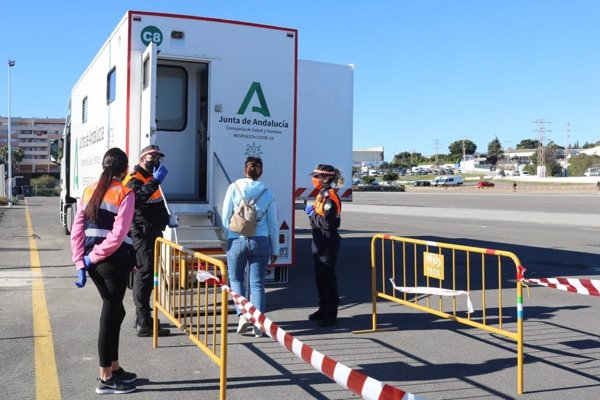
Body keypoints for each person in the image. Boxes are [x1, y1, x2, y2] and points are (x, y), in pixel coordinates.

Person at [71, 147, 137, 394]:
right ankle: (106, 378)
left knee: (116, 312)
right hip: (113, 262)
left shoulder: (89, 191)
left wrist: (82, 261)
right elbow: (118, 235)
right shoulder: (125, 192)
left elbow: (77, 229)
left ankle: (115, 367)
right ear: (125, 169)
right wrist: (89, 258)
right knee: (110, 315)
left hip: (95, 264)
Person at [222, 156, 279, 337]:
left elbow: (225, 217)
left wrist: (228, 237)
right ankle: (259, 324)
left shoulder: (234, 187)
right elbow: (273, 224)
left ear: (244, 169)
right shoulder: (267, 192)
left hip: (236, 240)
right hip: (260, 241)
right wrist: (275, 249)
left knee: (237, 280)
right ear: (260, 171)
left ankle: (243, 317)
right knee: (257, 284)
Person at [123, 145, 171, 337]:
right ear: (143, 158)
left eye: (158, 157)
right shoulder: (134, 178)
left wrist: (167, 218)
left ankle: (142, 319)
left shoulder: (151, 178)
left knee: (149, 276)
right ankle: (144, 322)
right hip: (142, 234)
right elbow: (136, 200)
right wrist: (155, 181)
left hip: (153, 232)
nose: (156, 160)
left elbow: (155, 204)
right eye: (152, 157)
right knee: (143, 275)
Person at [305, 164, 344, 327]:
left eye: (317, 177)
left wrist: (313, 214)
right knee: (320, 278)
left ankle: (330, 314)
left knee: (328, 278)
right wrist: (313, 215)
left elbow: (329, 223)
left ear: (326, 178)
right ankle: (322, 309)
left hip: (327, 241)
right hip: (319, 240)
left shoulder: (330, 197)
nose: (314, 179)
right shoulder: (322, 195)